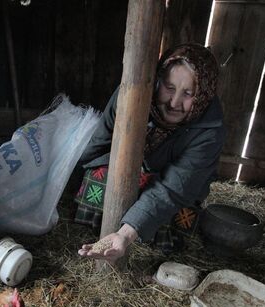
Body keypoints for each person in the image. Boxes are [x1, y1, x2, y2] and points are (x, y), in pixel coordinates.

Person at [74, 43, 225, 264]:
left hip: (176, 191)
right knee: (97, 179)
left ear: (202, 95)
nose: (174, 102)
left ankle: (149, 245)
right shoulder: (131, 94)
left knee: (180, 215)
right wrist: (68, 187)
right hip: (135, 169)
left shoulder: (210, 131)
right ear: (158, 81)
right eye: (169, 87)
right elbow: (100, 142)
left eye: (188, 93)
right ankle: (95, 224)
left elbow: (174, 188)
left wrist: (126, 234)